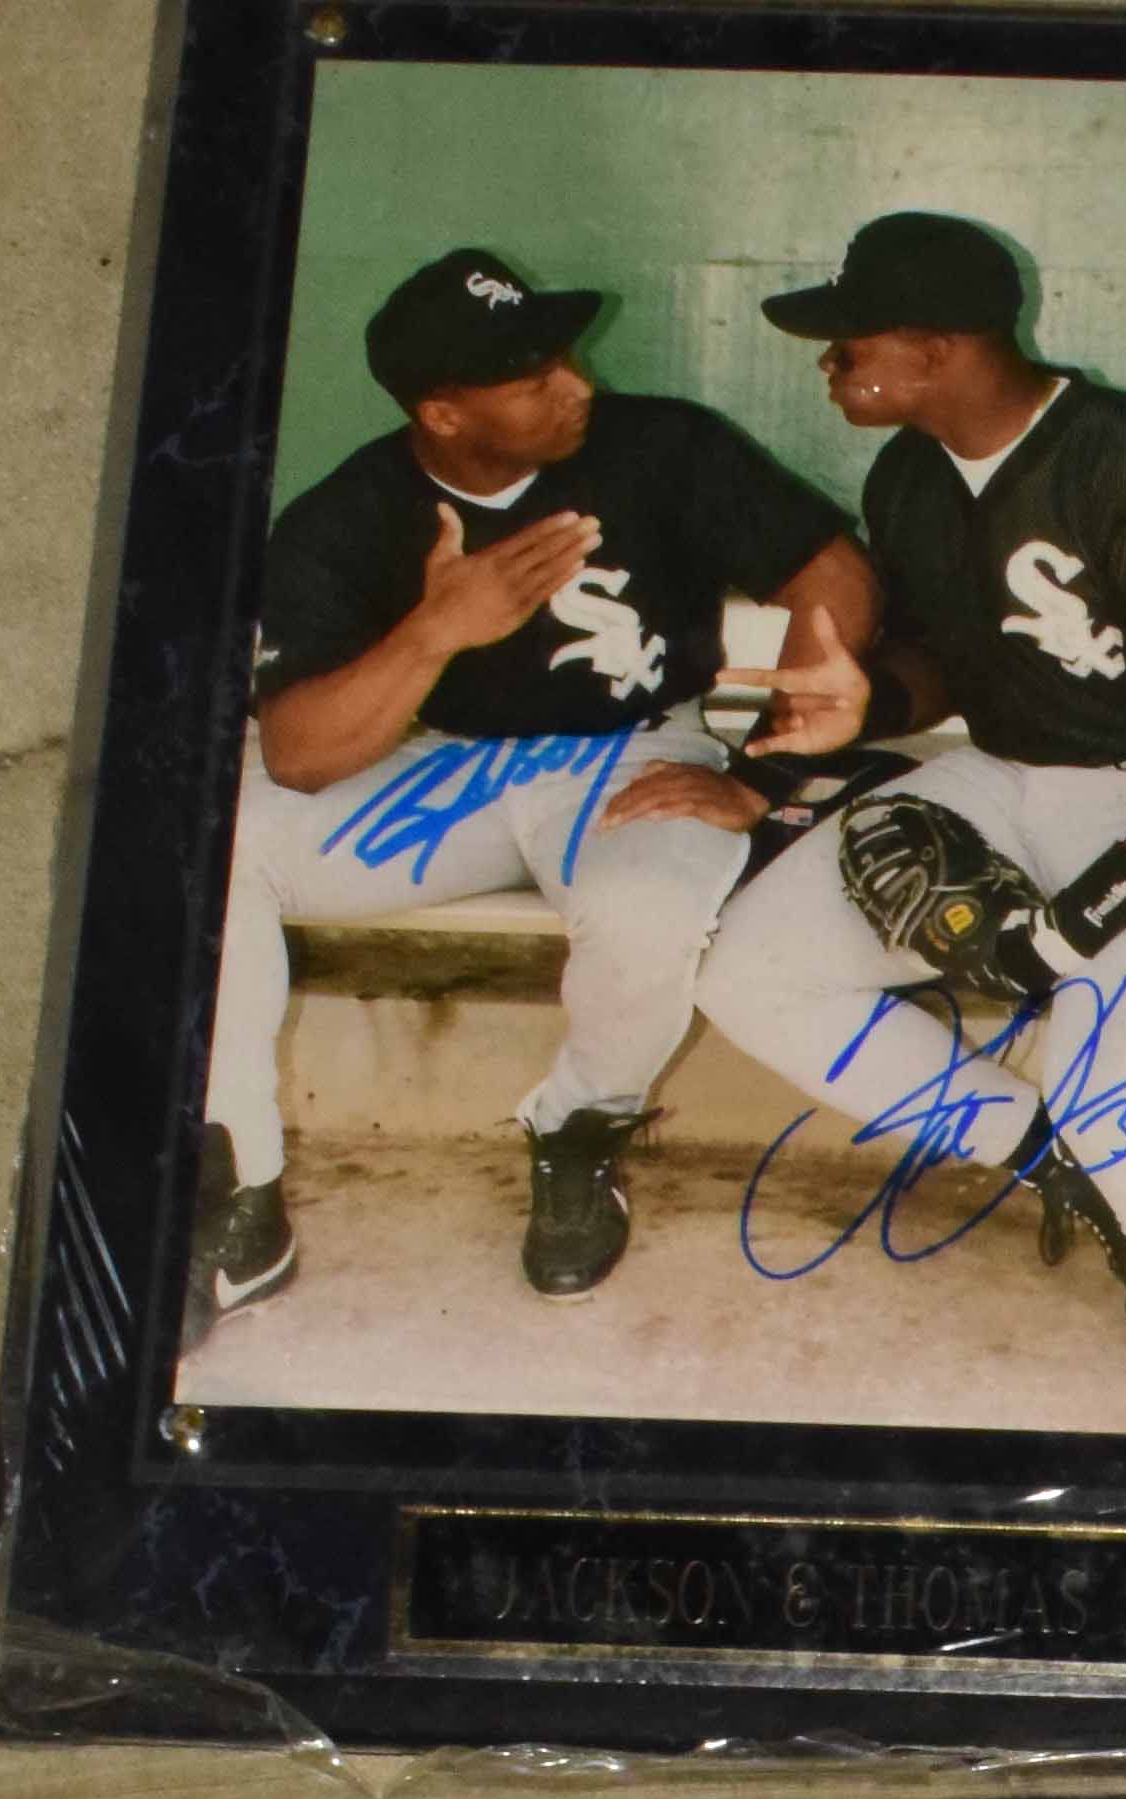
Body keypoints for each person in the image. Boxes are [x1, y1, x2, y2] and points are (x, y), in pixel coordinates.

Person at [621, 211, 1126, 1438]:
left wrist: (1069, 935)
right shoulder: (910, 474)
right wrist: (872, 700)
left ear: (940, 347)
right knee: (754, 971)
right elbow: (956, 667)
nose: (830, 364)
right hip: (1007, 774)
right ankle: (1049, 1151)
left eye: (851, 343)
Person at [201, 247, 882, 1317]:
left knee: (647, 908)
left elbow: (832, 574)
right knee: (209, 852)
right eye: (533, 378)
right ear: (443, 413)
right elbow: (298, 753)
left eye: (566, 357)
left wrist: (769, 767)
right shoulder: (351, 513)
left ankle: (576, 1133)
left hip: (630, 751)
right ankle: (240, 1186)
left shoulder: (661, 445)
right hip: (444, 763)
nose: (578, 385)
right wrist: (437, 630)